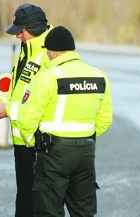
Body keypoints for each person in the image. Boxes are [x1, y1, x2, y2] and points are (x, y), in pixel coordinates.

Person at [14, 26, 113, 217]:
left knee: (48, 210)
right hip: (86, 152)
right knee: (83, 211)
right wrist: (82, 137)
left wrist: (31, 141)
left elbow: (27, 119)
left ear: (51, 51)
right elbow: (104, 119)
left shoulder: (47, 78)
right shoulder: (99, 76)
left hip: (53, 153)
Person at [0, 2, 52, 217]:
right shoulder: (27, 50)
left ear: (33, 28)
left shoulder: (49, 55)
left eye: (20, 31)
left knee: (38, 204)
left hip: (38, 142)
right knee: (25, 200)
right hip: (23, 140)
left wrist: (9, 110)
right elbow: (20, 89)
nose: (17, 36)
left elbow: (41, 99)